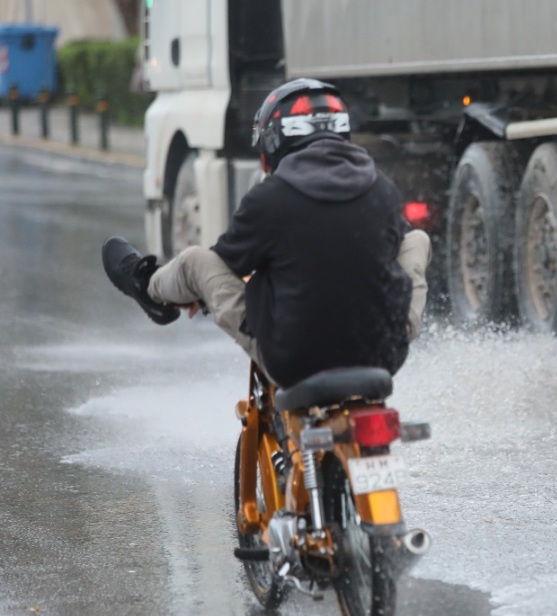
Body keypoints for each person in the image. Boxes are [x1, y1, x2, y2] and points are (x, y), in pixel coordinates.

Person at [101, 78, 431, 388]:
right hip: (384, 355)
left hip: (294, 361)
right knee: (416, 239)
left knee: (197, 262)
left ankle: (149, 288)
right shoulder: (382, 191)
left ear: (275, 144)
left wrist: (194, 292)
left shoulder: (270, 198)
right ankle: (397, 330)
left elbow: (226, 264)